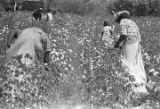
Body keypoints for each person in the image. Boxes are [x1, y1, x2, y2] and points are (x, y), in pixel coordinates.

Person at [113, 10, 148, 95]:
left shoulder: (123, 21)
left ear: (120, 18)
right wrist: (140, 49)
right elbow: (138, 38)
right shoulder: (133, 23)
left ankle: (134, 86)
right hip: (136, 44)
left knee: (127, 64)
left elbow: (124, 34)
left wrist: (116, 44)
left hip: (129, 43)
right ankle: (140, 85)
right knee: (136, 64)